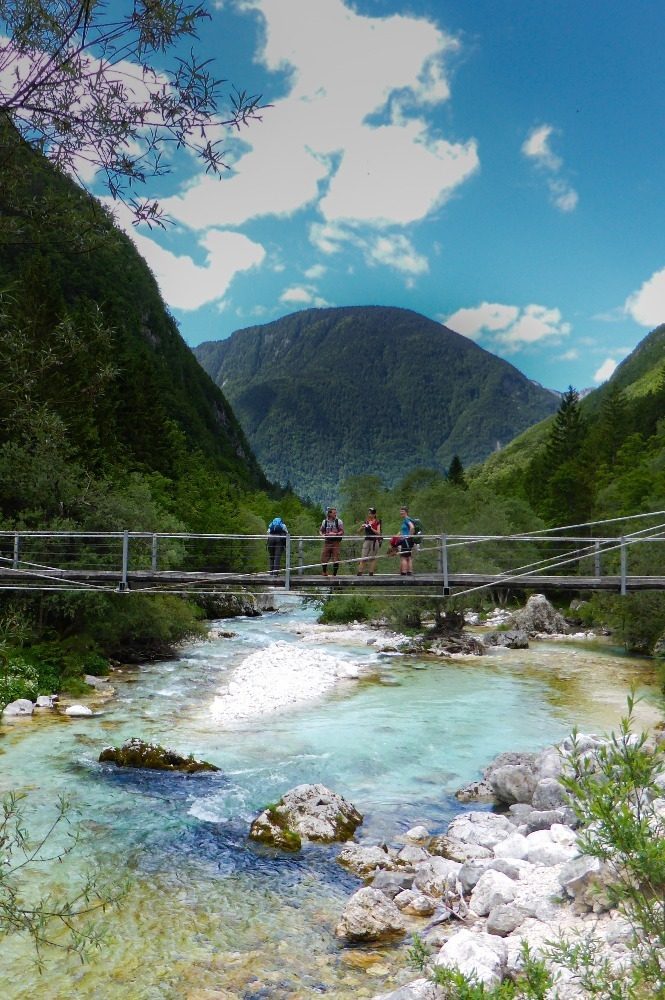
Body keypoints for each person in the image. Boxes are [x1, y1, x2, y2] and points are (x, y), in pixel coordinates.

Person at [357, 506, 382, 576]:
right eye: (369, 513)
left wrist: (371, 528)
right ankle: (360, 572)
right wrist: (362, 527)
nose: (369, 515)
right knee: (363, 557)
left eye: (371, 513)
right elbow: (358, 531)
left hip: (374, 541)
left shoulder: (377, 522)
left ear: (374, 514)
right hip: (367, 541)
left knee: (372, 558)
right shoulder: (366, 521)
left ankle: (371, 573)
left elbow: (378, 533)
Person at [319, 506, 344, 576]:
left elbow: (342, 531)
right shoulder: (325, 522)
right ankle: (324, 572)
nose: (335, 514)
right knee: (324, 557)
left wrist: (335, 534)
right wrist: (322, 535)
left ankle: (334, 574)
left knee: (336, 558)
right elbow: (321, 530)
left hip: (336, 542)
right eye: (334, 513)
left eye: (336, 513)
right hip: (327, 541)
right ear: (329, 514)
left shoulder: (339, 521)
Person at [398, 504, 416, 576]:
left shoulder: (406, 519)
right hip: (409, 541)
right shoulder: (409, 519)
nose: (401, 513)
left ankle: (404, 572)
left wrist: (408, 536)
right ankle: (409, 572)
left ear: (406, 512)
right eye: (400, 512)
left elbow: (412, 528)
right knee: (408, 556)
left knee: (404, 557)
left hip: (406, 540)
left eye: (402, 512)